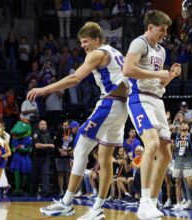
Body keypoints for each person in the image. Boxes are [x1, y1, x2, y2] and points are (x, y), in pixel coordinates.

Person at [27, 22, 128, 219]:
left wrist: (44, 89)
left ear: (97, 40)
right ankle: (98, 208)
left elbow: (75, 78)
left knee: (81, 144)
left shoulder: (97, 53)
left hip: (110, 103)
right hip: (122, 107)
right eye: (81, 42)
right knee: (105, 159)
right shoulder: (114, 51)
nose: (83, 46)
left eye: (85, 41)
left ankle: (66, 203)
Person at [122, 10, 181, 219]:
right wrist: (158, 73)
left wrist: (170, 76)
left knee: (166, 155)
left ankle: (153, 202)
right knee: (152, 144)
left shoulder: (161, 51)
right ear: (150, 28)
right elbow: (127, 70)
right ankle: (144, 201)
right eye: (162, 30)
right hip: (139, 98)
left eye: (166, 30)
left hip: (156, 99)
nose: (164, 33)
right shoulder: (140, 43)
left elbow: (159, 82)